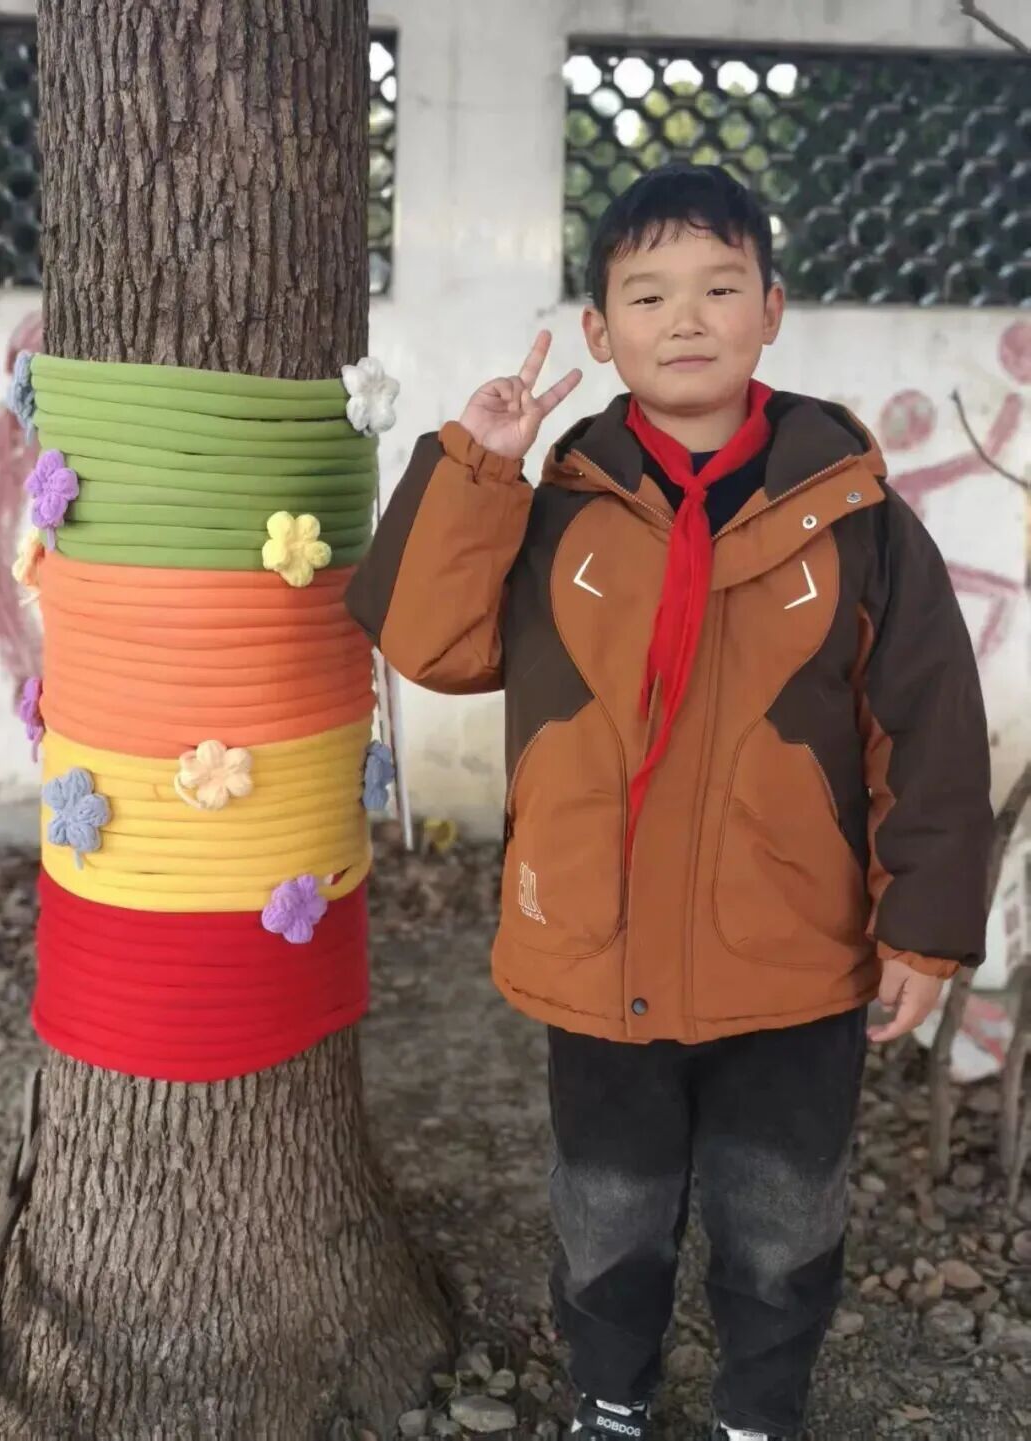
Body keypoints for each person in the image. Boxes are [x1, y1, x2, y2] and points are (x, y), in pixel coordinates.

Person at [344, 164, 992, 1441]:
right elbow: (428, 642)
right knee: (608, 1205)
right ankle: (609, 1396)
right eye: (646, 295)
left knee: (784, 1212)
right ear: (600, 332)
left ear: (772, 310)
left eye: (718, 288)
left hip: (793, 954)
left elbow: (929, 728)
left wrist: (923, 930)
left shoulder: (854, 517)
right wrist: (477, 464)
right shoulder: (551, 510)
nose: (684, 319)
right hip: (601, 945)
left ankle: (760, 1409)